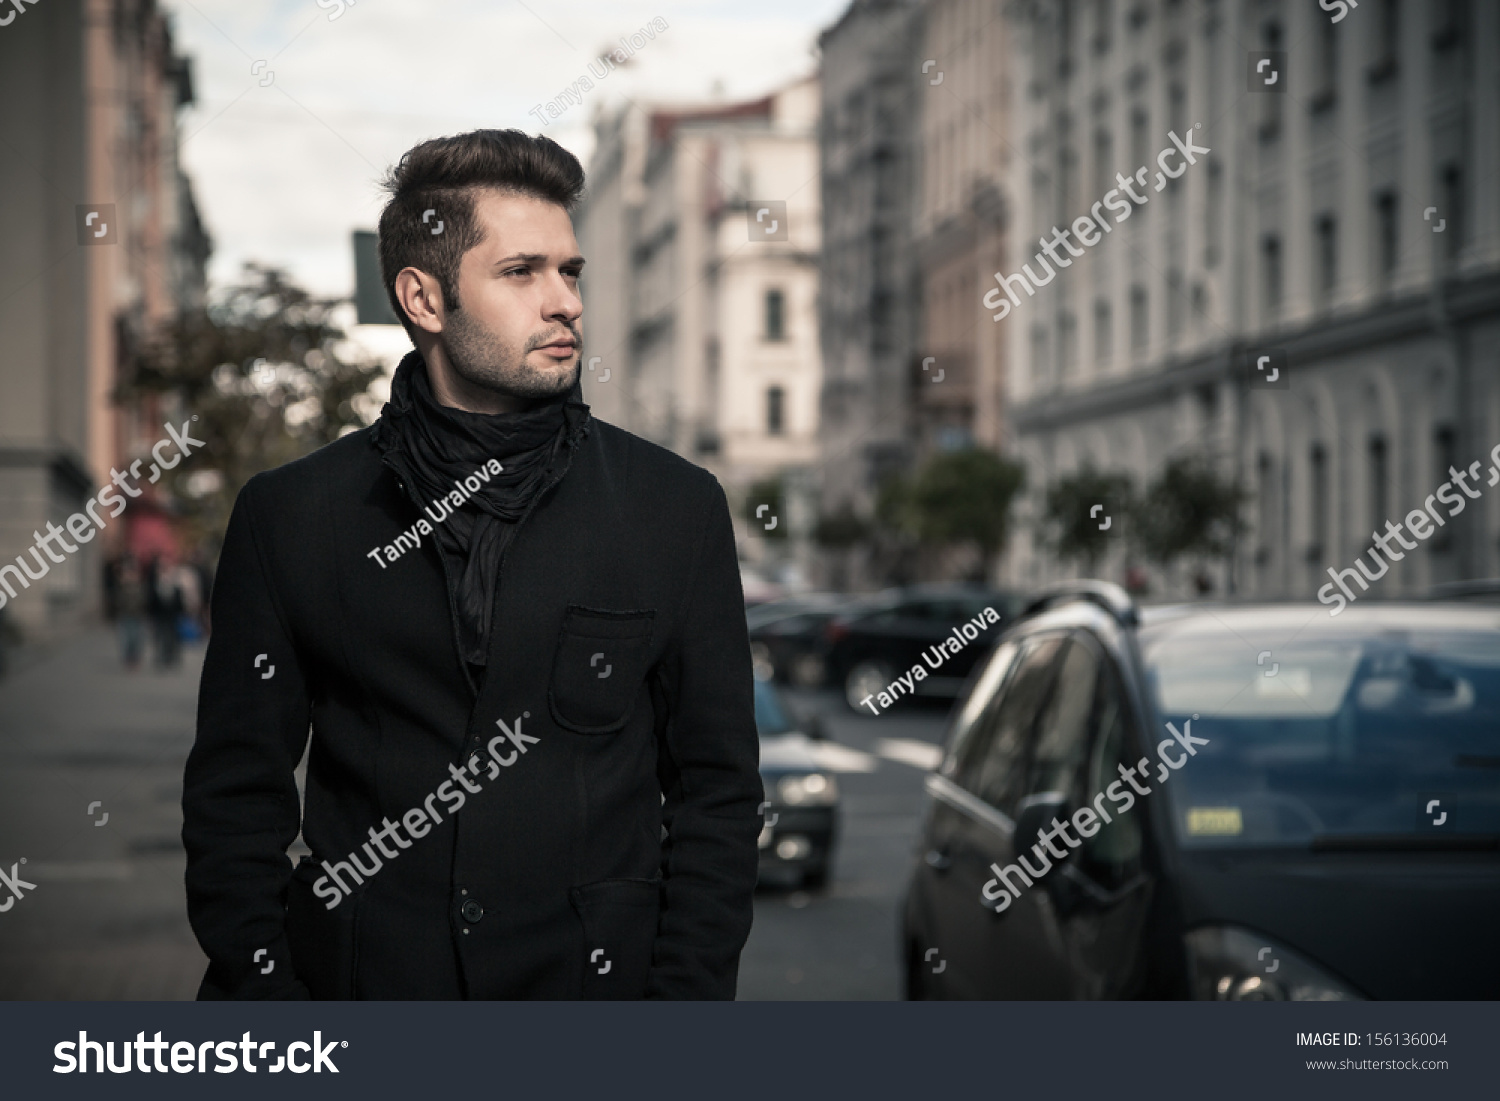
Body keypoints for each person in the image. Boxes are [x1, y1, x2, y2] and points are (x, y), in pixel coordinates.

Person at [181, 130, 761, 1000]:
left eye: (571, 272)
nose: (564, 301)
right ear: (423, 296)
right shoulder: (293, 514)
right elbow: (235, 799)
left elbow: (718, 792)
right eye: (523, 271)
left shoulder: (673, 506)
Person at [113, 554, 148, 670]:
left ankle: (135, 659)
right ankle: (128, 659)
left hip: (137, 615)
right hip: (125, 615)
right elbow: (117, 601)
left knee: (136, 638)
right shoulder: (121, 586)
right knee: (126, 638)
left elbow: (144, 599)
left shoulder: (140, 586)